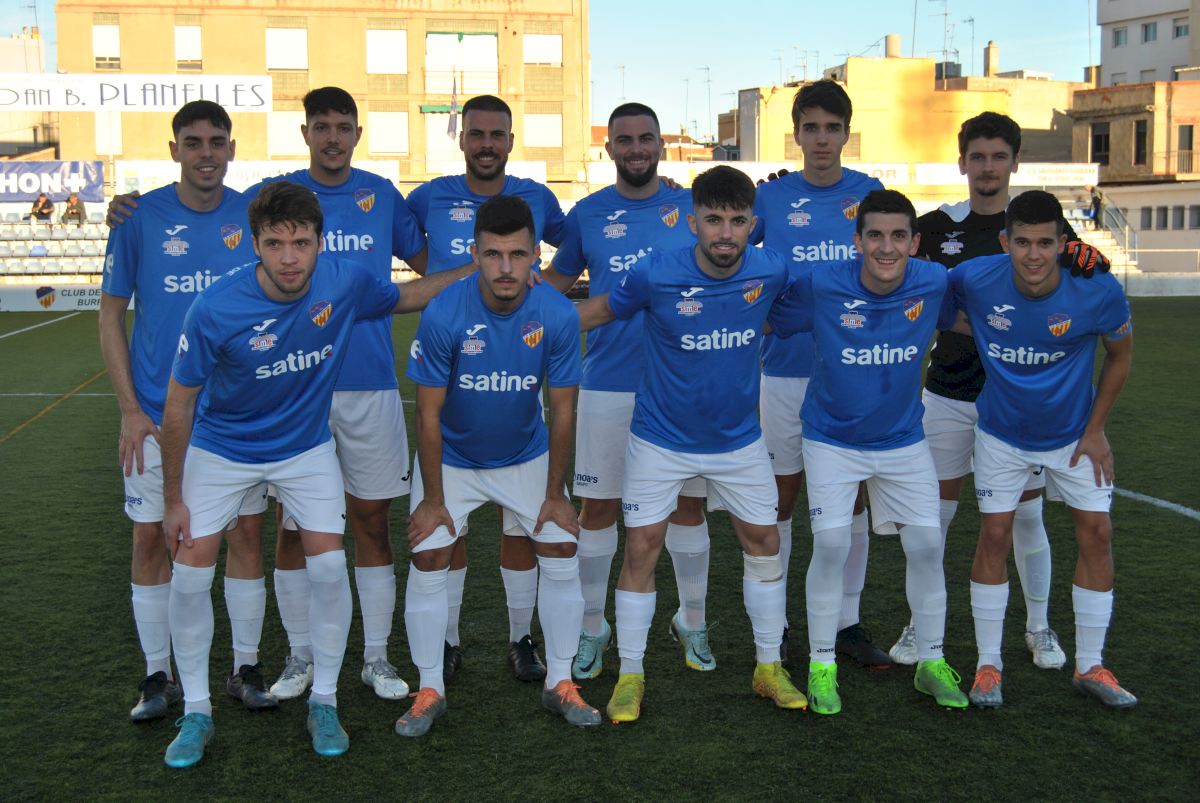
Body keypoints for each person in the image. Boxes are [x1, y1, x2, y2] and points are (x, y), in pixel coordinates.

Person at [108, 87, 428, 704]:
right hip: (223, 402)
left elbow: (416, 274)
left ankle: (322, 661)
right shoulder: (203, 210)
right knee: (218, 534)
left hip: (333, 392)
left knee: (323, 527)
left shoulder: (351, 198)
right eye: (320, 126)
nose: (332, 137)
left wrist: (481, 270)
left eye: (343, 126)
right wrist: (124, 208)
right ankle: (213, 669)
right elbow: (125, 297)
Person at [157, 181, 472, 767]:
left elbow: (406, 296)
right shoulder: (215, 308)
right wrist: (173, 498)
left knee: (328, 566)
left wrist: (474, 269)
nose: (289, 257)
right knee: (191, 576)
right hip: (223, 449)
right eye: (275, 244)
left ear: (319, 242)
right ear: (254, 244)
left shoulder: (344, 281)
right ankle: (197, 710)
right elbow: (179, 405)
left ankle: (324, 701)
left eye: (301, 243)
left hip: (304, 448)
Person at [577, 165, 806, 723]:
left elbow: (792, 313)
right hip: (660, 439)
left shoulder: (771, 269)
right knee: (642, 548)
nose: (725, 233)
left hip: (738, 441)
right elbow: (600, 310)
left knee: (764, 542)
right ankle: (631, 675)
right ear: (692, 221)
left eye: (737, 221)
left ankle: (768, 667)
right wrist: (525, 323)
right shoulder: (655, 273)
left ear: (753, 223)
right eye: (713, 220)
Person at [892, 112, 1111, 669]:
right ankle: (920, 626)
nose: (987, 167)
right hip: (948, 393)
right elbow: (912, 294)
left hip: (1021, 409)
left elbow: (1077, 290)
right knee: (933, 519)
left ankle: (1039, 628)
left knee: (1026, 519)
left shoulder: (1044, 230)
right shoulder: (933, 228)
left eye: (998, 157)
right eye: (978, 157)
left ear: (1015, 162)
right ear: (961, 162)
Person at [397, 194, 600, 736]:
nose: (505, 268)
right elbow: (428, 414)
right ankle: (430, 688)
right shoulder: (445, 312)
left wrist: (555, 493)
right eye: (493, 254)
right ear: (475, 254)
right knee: (428, 553)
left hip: (524, 455)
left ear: (536, 255)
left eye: (517, 254)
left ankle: (560, 681)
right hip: (454, 458)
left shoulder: (556, 313)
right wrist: (433, 499)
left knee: (560, 546)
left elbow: (563, 409)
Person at [98, 100, 273, 726]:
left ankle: (245, 667)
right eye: (193, 142)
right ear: (174, 150)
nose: (206, 153)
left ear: (232, 149)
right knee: (150, 536)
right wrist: (128, 409)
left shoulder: (252, 216)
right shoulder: (138, 218)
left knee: (245, 534)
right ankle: (158, 675)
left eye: (216, 142)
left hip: (233, 418)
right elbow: (111, 315)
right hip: (154, 415)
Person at [771, 189, 968, 715]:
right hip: (831, 439)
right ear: (856, 241)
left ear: (915, 243)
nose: (886, 247)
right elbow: (768, 317)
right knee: (832, 544)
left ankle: (931, 662)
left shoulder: (934, 281)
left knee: (926, 544)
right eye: (875, 235)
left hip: (903, 439)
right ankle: (821, 665)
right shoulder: (823, 284)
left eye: (898, 236)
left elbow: (986, 299)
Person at [941, 190, 1136, 710]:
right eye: (1023, 242)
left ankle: (1090, 665)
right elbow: (929, 294)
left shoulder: (1097, 287)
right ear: (1005, 241)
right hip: (1001, 436)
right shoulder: (974, 278)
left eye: (1045, 243)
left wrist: (1097, 429)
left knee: (1097, 533)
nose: (1033, 254)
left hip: (1074, 435)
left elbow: (1119, 355)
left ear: (1063, 243)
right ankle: (988, 666)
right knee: (994, 535)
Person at [541, 102, 714, 679]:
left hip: (681, 384)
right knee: (599, 508)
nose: (636, 148)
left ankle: (692, 620)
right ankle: (593, 627)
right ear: (609, 148)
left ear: (661, 145)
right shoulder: (588, 214)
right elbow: (556, 283)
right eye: (625, 140)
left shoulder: (691, 208)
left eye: (645, 138)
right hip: (609, 385)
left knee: (688, 504)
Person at [406, 94, 568, 683]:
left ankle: (520, 638)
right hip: (453, 366)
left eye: (497, 134)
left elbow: (577, 249)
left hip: (516, 378)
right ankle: (446, 641)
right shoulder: (427, 197)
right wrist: (457, 286)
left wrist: (534, 293)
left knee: (521, 525)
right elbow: (409, 254)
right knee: (447, 529)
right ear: (462, 139)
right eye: (476, 134)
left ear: (511, 141)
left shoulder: (539, 198)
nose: (486, 144)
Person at [750, 79, 888, 668]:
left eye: (833, 128)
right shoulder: (771, 198)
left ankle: (846, 623)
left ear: (847, 134)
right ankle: (778, 625)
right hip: (783, 372)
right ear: (797, 134)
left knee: (851, 500)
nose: (822, 139)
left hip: (851, 371)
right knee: (780, 498)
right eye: (812, 128)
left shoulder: (871, 193)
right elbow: (728, 252)